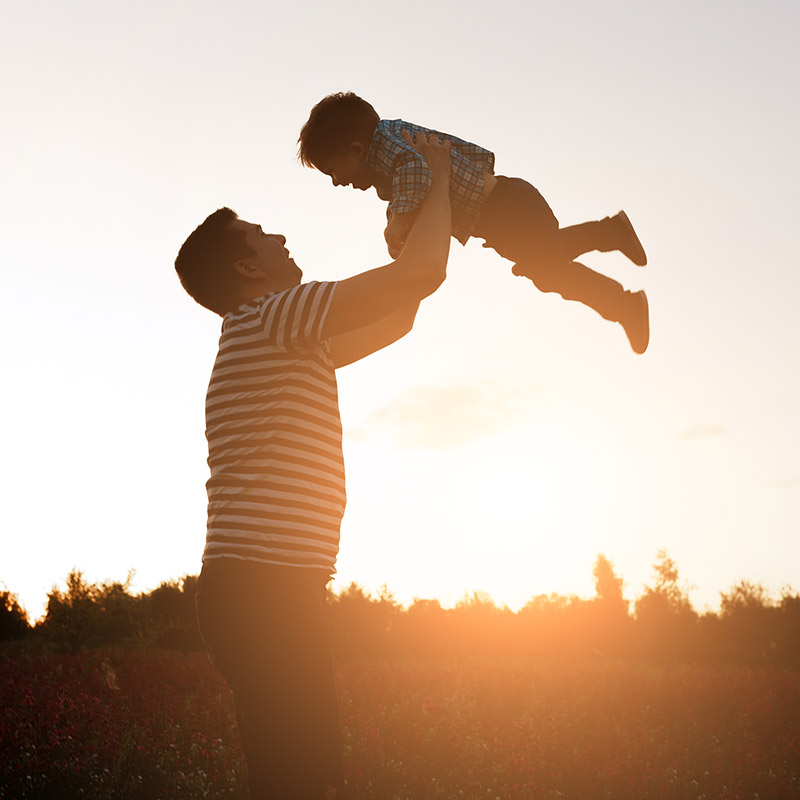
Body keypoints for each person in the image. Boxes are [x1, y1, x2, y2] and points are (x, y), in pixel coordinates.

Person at [173, 133, 452, 799]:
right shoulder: (273, 318)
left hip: (274, 590)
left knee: (304, 779)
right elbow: (424, 276)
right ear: (246, 270)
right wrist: (438, 181)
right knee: (302, 782)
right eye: (262, 234)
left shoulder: (286, 336)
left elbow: (400, 313)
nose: (279, 237)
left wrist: (405, 233)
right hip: (262, 590)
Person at [298, 91, 650, 354]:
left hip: (507, 208)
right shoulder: (389, 151)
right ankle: (610, 233)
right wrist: (397, 220)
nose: (335, 181)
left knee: (547, 272)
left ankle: (625, 304)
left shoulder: (389, 149)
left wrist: (397, 223)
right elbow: (409, 184)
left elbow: (417, 171)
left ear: (357, 150)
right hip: (504, 213)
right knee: (546, 262)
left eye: (332, 171)